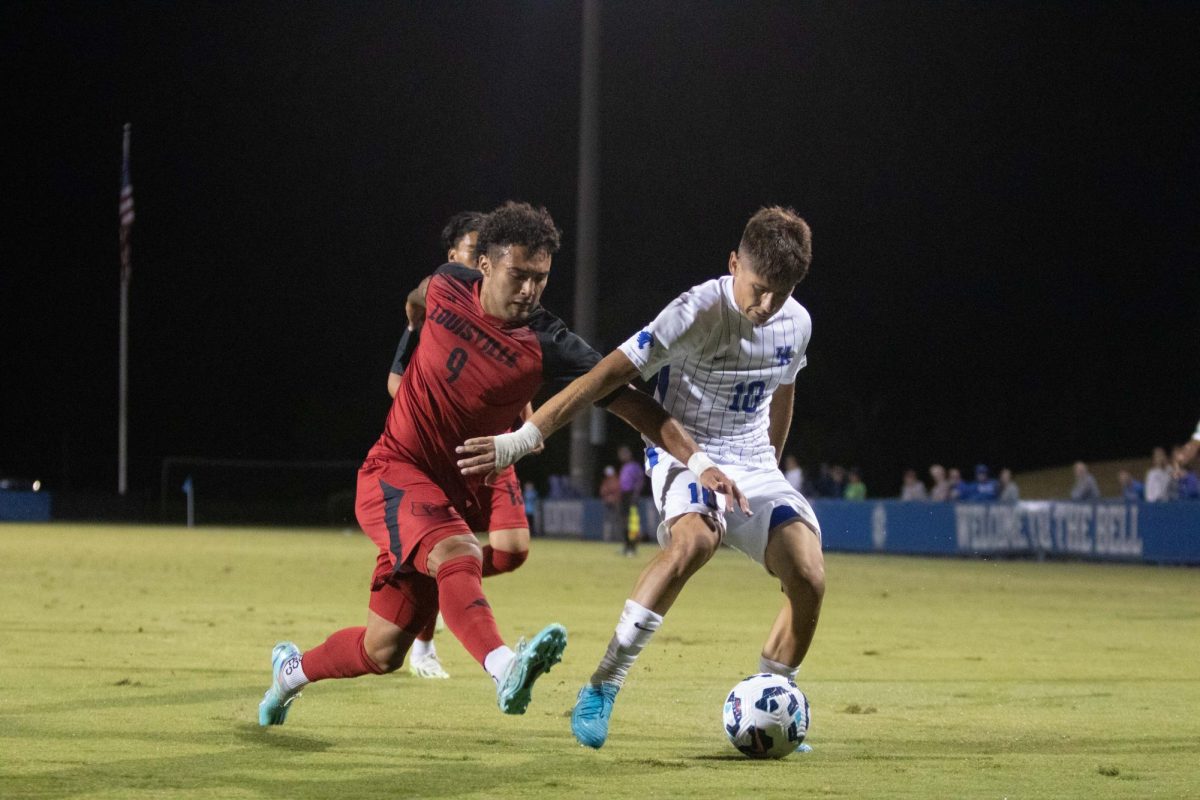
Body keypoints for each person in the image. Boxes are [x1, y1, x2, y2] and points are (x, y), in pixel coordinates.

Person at [258, 202, 746, 727]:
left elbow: (633, 401)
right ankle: (506, 666)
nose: (530, 290)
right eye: (519, 275)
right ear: (485, 265)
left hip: (449, 496)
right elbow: (421, 293)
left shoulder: (548, 341)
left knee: (383, 650)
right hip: (392, 470)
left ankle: (291, 672)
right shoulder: (448, 282)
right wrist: (413, 315)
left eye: (541, 279)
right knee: (458, 550)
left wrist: (697, 461)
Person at [457, 206, 822, 752]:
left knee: (809, 577)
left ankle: (775, 700)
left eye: (782, 293)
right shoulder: (695, 311)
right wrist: (525, 438)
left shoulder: (798, 321)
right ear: (733, 264)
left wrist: (770, 460)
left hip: (753, 464)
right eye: (759, 288)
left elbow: (784, 388)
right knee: (694, 541)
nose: (767, 306)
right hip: (682, 448)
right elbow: (603, 377)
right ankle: (603, 685)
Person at [617, 444, 646, 556]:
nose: (622, 456)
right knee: (624, 522)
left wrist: (635, 495)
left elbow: (640, 481)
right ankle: (626, 546)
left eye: (624, 453)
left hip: (631, 496)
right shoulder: (624, 467)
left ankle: (632, 548)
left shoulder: (634, 466)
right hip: (624, 496)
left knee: (632, 524)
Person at [599, 465, 623, 541]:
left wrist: (612, 497)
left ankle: (616, 538)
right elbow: (603, 491)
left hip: (615, 503)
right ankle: (609, 538)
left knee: (616, 521)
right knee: (610, 521)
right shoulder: (609, 481)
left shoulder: (616, 480)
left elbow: (619, 491)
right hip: (609, 503)